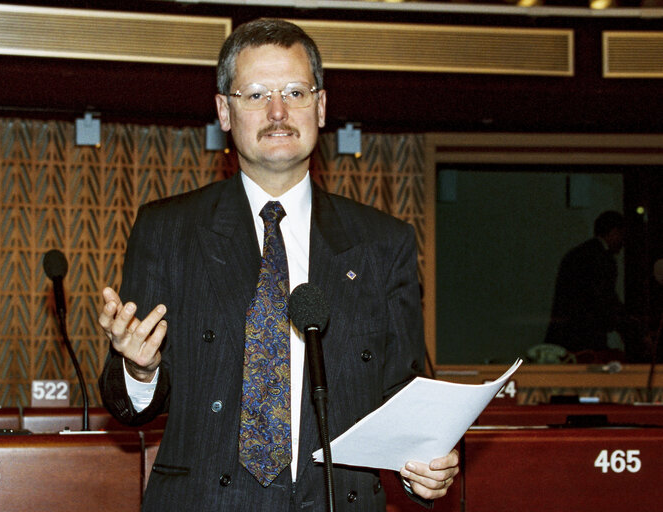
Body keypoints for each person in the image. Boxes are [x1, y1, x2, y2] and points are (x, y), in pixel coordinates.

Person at [97, 18, 458, 511]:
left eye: (295, 91)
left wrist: (424, 465)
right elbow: (131, 408)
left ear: (322, 106)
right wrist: (141, 370)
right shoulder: (167, 231)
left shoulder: (381, 243)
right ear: (224, 111)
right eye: (255, 95)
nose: (278, 111)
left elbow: (402, 394)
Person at [544, 210, 626, 362]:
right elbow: (604, 299)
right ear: (614, 232)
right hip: (587, 339)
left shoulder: (577, 254)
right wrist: (626, 326)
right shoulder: (603, 259)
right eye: (622, 235)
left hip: (564, 336)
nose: (623, 242)